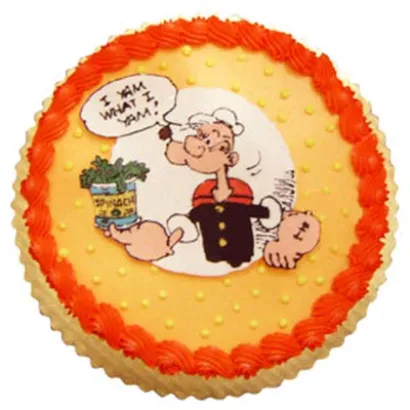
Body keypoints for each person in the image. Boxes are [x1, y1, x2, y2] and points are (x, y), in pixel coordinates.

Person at [106, 108, 320, 270]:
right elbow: (187, 224)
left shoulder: (241, 191)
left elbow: (270, 215)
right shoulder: (197, 194)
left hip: (242, 255)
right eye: (203, 138)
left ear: (231, 158)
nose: (205, 147)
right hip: (212, 255)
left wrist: (286, 244)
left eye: (221, 146)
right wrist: (162, 243)